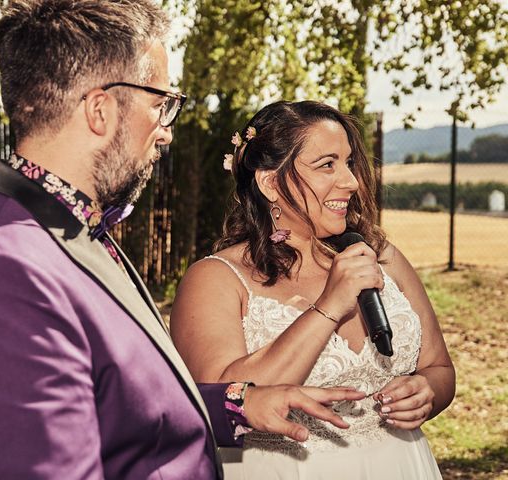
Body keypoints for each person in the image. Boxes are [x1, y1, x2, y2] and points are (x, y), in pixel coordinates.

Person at [0, 4, 367, 479]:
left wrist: (238, 402)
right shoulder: (1, 278)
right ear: (100, 109)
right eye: (160, 103)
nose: (167, 131)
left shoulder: (65, 229)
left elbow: (118, 401)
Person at [170, 100, 456, 479]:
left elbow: (439, 368)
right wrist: (328, 307)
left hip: (402, 464)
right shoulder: (215, 279)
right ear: (270, 182)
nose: (351, 181)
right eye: (327, 165)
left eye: (349, 163)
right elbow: (224, 404)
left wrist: (426, 393)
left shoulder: (379, 255)